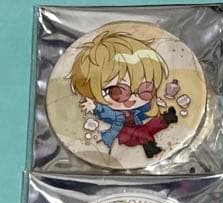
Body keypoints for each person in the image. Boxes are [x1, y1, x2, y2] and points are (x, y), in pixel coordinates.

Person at [69, 31, 179, 159]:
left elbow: (144, 112)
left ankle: (163, 123)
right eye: (117, 92)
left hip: (140, 126)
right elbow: (104, 113)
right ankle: (151, 140)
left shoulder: (138, 108)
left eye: (145, 89)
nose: (132, 98)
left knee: (149, 127)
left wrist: (154, 103)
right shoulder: (110, 111)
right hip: (127, 135)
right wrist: (94, 106)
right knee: (141, 131)